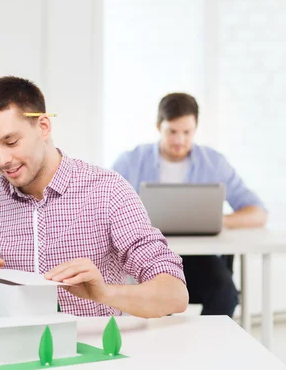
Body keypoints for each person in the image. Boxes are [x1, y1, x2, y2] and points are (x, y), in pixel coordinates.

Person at [0, 77, 189, 318]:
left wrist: (103, 293)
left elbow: (174, 296)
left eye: (11, 142)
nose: (2, 160)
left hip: (93, 348)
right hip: (12, 349)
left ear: (43, 127)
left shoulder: (108, 192)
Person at [112, 92, 267, 317]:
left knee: (225, 294)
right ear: (158, 127)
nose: (179, 140)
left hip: (199, 259)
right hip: (149, 255)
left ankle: (204, 349)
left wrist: (217, 221)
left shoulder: (214, 163)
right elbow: (103, 209)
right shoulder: (130, 161)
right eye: (172, 131)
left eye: (187, 132)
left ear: (195, 129)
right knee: (157, 299)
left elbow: (258, 213)